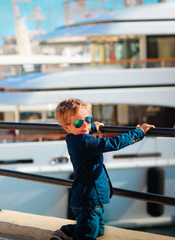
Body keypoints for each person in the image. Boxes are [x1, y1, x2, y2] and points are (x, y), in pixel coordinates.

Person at [51, 98, 155, 240]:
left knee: (96, 230)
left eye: (88, 119)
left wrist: (92, 127)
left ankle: (65, 233)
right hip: (88, 200)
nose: (85, 124)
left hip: (88, 198)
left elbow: (83, 130)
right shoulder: (86, 142)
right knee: (88, 233)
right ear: (66, 127)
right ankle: (67, 232)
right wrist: (138, 132)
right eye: (78, 122)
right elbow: (113, 143)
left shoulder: (72, 137)